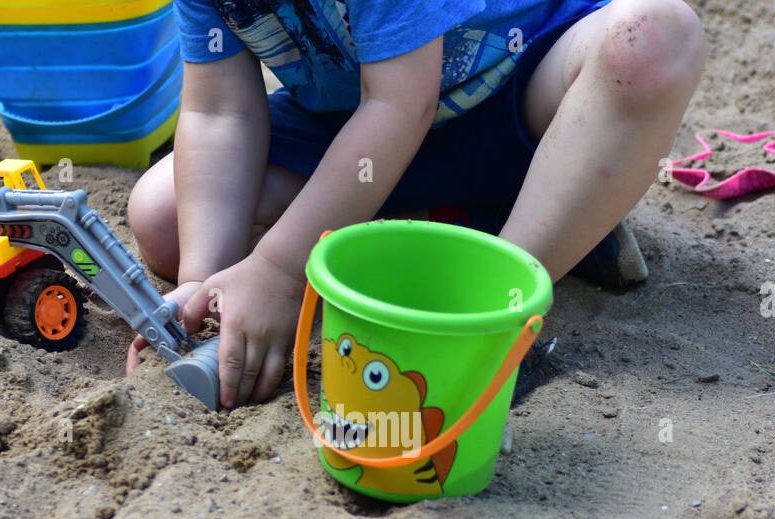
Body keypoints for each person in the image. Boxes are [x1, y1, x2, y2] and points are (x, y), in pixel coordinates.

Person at [125, 0, 704, 409]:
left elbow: (400, 103)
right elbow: (220, 112)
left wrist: (280, 272)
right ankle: (465, 226)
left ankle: (497, 289)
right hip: (358, 136)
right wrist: (203, 282)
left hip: (523, 98)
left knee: (651, 39)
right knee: (162, 215)